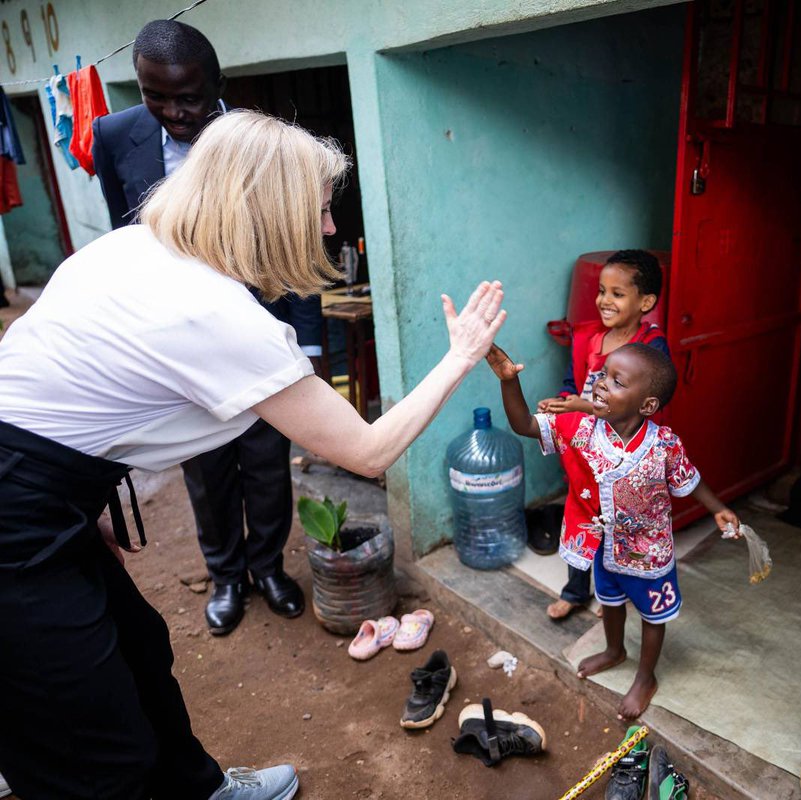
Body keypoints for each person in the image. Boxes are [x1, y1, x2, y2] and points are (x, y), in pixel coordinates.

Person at [0, 111, 507, 800]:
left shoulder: (128, 250)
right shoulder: (214, 313)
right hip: (18, 515)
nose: (329, 228)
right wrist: (460, 357)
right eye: (321, 210)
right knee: (91, 748)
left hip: (40, 491)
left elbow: (38, 386)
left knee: (140, 651)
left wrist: (78, 508)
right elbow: (368, 449)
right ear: (272, 209)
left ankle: (200, 791)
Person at [92, 20, 324, 635]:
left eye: (188, 97)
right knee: (205, 463)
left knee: (268, 460)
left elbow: (294, 243)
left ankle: (269, 568)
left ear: (217, 84)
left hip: (258, 331)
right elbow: (127, 237)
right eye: (155, 96)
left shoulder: (260, 140)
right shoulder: (113, 137)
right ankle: (225, 576)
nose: (173, 112)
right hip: (178, 344)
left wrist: (310, 342)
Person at [489, 341, 739, 720]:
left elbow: (689, 481)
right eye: (603, 374)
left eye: (616, 381)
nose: (601, 384)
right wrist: (509, 382)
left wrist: (718, 509)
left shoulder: (664, 445)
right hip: (604, 545)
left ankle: (645, 676)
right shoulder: (580, 428)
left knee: (653, 616)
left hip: (648, 551)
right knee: (610, 600)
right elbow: (524, 424)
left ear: (647, 405)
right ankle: (614, 650)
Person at [537, 250, 670, 621]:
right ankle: (575, 591)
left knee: (620, 526)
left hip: (627, 455)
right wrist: (563, 405)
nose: (603, 301)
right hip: (585, 450)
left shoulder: (652, 348)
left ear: (645, 302)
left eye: (616, 293)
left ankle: (615, 593)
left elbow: (646, 404)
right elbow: (571, 387)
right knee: (580, 516)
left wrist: (581, 404)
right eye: (601, 291)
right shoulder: (587, 340)